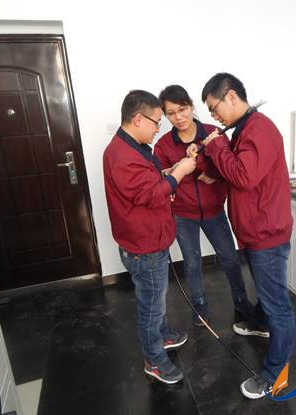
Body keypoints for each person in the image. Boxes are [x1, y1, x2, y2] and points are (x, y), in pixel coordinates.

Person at [194, 73, 295, 399]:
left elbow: (244, 175)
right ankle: (260, 324)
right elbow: (235, 170)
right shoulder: (245, 128)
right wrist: (209, 160)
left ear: (231, 96)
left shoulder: (259, 129)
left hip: (267, 234)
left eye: (215, 109)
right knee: (266, 291)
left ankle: (275, 374)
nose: (215, 117)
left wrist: (216, 143)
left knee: (278, 306)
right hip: (254, 231)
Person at [103, 90, 197, 384]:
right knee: (151, 306)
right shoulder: (122, 156)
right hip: (144, 247)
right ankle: (154, 360)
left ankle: (163, 335)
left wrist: (169, 170)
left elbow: (147, 182)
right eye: (157, 122)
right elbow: (150, 195)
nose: (159, 128)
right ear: (138, 119)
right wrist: (180, 174)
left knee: (157, 297)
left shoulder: (134, 146)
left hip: (151, 240)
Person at [154, 85, 255, 327]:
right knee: (192, 263)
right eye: (171, 113)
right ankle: (199, 306)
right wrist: (174, 171)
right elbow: (162, 180)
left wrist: (211, 172)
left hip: (214, 211)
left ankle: (241, 300)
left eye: (182, 109)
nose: (178, 117)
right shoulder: (163, 145)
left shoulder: (213, 133)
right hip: (183, 215)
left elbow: (232, 168)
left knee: (230, 258)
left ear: (191, 106)